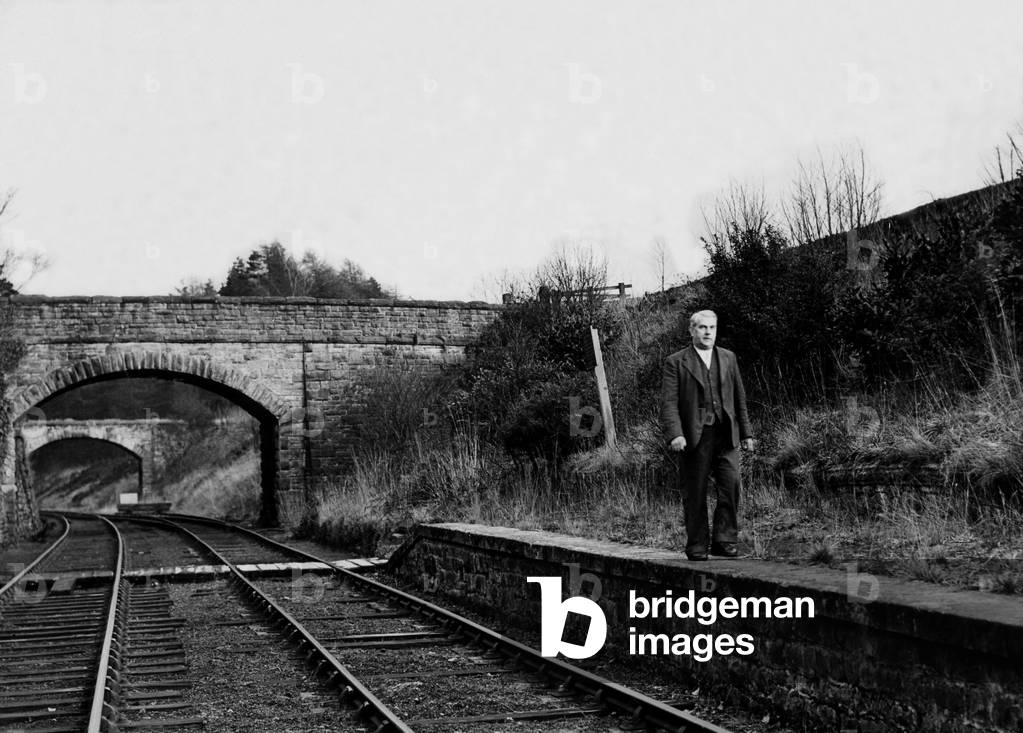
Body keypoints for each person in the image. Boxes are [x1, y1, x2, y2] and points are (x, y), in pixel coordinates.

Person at [659, 310, 754, 561]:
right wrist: (675, 434)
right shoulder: (676, 362)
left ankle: (724, 540)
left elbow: (739, 398)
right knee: (695, 491)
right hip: (694, 436)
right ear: (692, 330)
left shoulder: (728, 358)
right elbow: (668, 403)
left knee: (731, 485)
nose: (708, 332)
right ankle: (697, 544)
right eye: (702, 327)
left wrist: (746, 433)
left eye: (712, 327)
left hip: (726, 433)